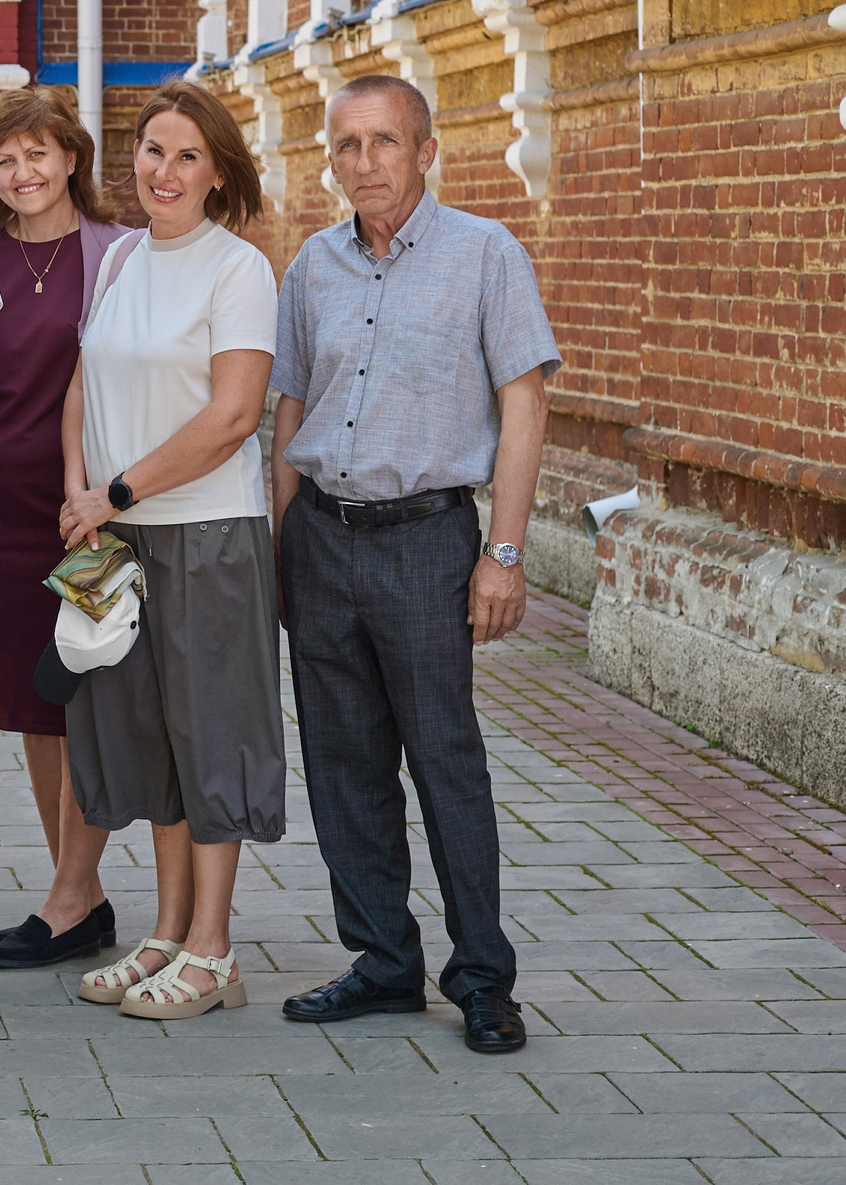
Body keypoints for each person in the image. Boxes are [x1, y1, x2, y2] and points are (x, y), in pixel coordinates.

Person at [271, 73, 556, 1055]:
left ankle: (481, 974)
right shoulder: (311, 265)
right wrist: (277, 548)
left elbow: (524, 405)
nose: (364, 163)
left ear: (425, 151)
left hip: (427, 539)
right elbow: (289, 412)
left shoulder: (484, 256)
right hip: (321, 536)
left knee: (444, 760)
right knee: (342, 764)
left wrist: (504, 551)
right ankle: (383, 962)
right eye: (347, 145)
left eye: (384, 142)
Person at [55, 79, 281, 1021]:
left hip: (208, 534)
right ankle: (167, 930)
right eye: (152, 149)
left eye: (188, 154)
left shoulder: (239, 270)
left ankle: (216, 951)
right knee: (148, 738)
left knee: (212, 737)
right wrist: (80, 493)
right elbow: (83, 382)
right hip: (116, 536)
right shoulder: (118, 263)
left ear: (219, 170)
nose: (165, 169)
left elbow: (232, 417)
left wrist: (115, 489)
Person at [0, 85, 130, 971]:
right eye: (4, 159)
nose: (22, 172)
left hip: (87, 510)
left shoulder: (120, 254)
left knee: (86, 693)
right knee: (34, 700)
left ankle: (70, 895)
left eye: (38, 154)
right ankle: (79, 891)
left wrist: (104, 496)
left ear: (71, 158)